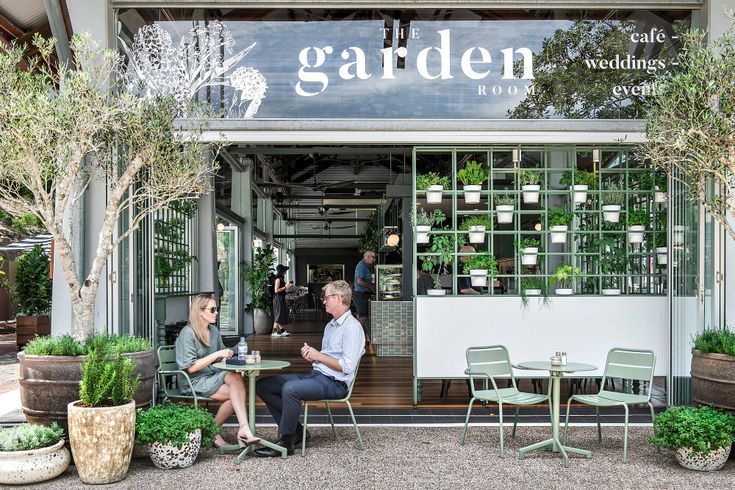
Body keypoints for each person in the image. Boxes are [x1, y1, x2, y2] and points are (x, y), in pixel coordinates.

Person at [255, 280, 365, 457]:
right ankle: (298, 432)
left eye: (326, 297)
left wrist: (318, 356)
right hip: (317, 375)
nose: (324, 301)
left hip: (336, 384)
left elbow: (347, 367)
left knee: (290, 389)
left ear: (338, 298)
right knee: (263, 385)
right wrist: (312, 356)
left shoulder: (352, 328)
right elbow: (327, 358)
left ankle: (286, 441)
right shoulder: (331, 325)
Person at [175, 294, 259, 448]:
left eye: (217, 309)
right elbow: (191, 367)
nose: (216, 313)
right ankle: (216, 431)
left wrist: (232, 362)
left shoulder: (213, 331)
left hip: (212, 375)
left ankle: (238, 428)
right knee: (237, 395)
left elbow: (221, 359)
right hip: (193, 381)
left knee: (236, 384)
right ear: (200, 311)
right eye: (212, 309)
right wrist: (218, 354)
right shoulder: (188, 333)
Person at [353, 250, 376, 340]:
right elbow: (359, 281)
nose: (374, 259)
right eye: (373, 257)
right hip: (361, 294)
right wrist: (371, 287)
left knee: (362, 316)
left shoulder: (365, 266)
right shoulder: (362, 265)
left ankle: (360, 337)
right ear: (367, 257)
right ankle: (355, 338)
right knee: (363, 317)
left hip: (363, 294)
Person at [271, 264, 292, 337]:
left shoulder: (281, 278)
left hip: (281, 298)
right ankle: (274, 332)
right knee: (278, 315)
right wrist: (285, 287)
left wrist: (286, 287)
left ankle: (283, 331)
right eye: (285, 270)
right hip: (278, 299)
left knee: (279, 314)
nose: (286, 271)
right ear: (282, 271)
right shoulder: (278, 279)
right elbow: (276, 290)